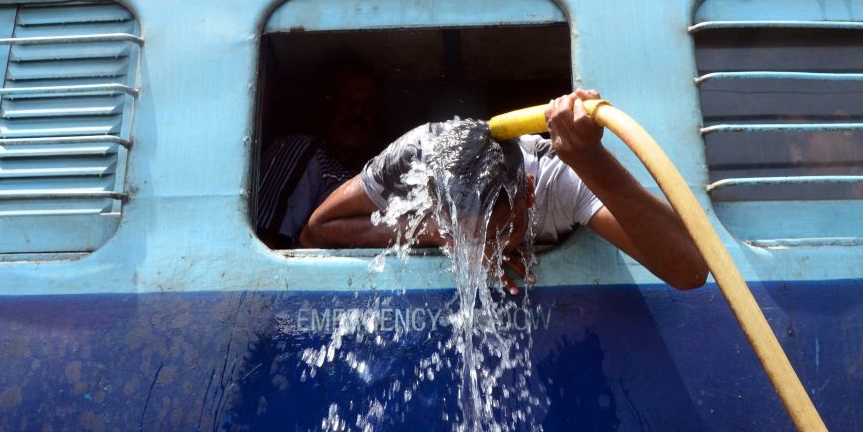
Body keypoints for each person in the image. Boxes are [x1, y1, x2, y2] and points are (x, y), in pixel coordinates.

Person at [301, 90, 708, 293]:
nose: (482, 252)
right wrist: (433, 232)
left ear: (529, 194)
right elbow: (316, 229)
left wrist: (593, 160)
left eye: (498, 235)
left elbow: (689, 272)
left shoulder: (558, 178)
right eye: (466, 237)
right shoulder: (415, 156)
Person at [256, 58, 379, 248]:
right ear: (324, 106)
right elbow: (264, 246)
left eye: (367, 106)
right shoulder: (304, 151)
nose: (358, 113)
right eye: (347, 101)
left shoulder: (362, 173)